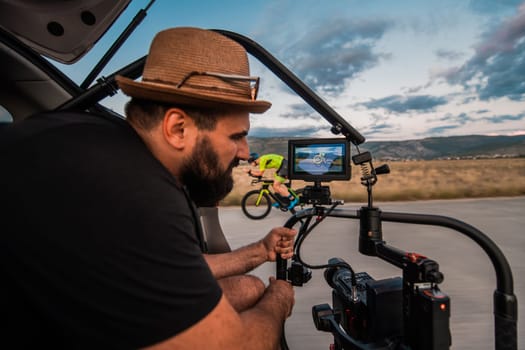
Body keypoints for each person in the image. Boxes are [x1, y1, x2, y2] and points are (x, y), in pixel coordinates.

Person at [0, 27, 296, 349]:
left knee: (250, 287)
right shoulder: (132, 189)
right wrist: (279, 300)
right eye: (236, 136)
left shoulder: (100, 141)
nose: (243, 152)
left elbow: (175, 268)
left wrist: (260, 251)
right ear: (177, 128)